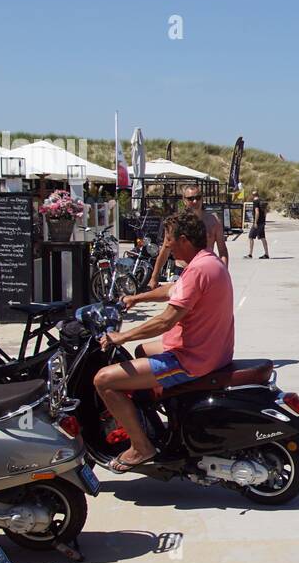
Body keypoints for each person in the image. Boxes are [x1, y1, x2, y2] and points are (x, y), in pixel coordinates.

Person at [94, 212, 235, 471]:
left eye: (169, 239)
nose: (166, 245)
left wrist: (121, 336)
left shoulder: (198, 271)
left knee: (104, 380)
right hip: (211, 349)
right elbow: (172, 289)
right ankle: (157, 419)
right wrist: (137, 298)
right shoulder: (207, 262)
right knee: (140, 351)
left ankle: (141, 447)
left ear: (183, 240)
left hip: (192, 359)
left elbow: (165, 321)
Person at [151, 184, 228, 284]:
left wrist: (223, 272)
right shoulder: (175, 223)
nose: (195, 201)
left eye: (198, 197)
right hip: (182, 271)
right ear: (184, 200)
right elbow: (165, 251)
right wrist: (154, 276)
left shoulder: (214, 221)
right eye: (191, 198)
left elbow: (222, 251)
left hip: (205, 270)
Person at [246, 194, 269, 259]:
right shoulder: (262, 201)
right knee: (263, 238)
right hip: (262, 222)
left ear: (252, 196)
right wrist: (264, 221)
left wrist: (255, 222)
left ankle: (250, 254)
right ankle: (266, 254)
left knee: (251, 237)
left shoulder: (255, 202)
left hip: (258, 223)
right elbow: (265, 212)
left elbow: (257, 212)